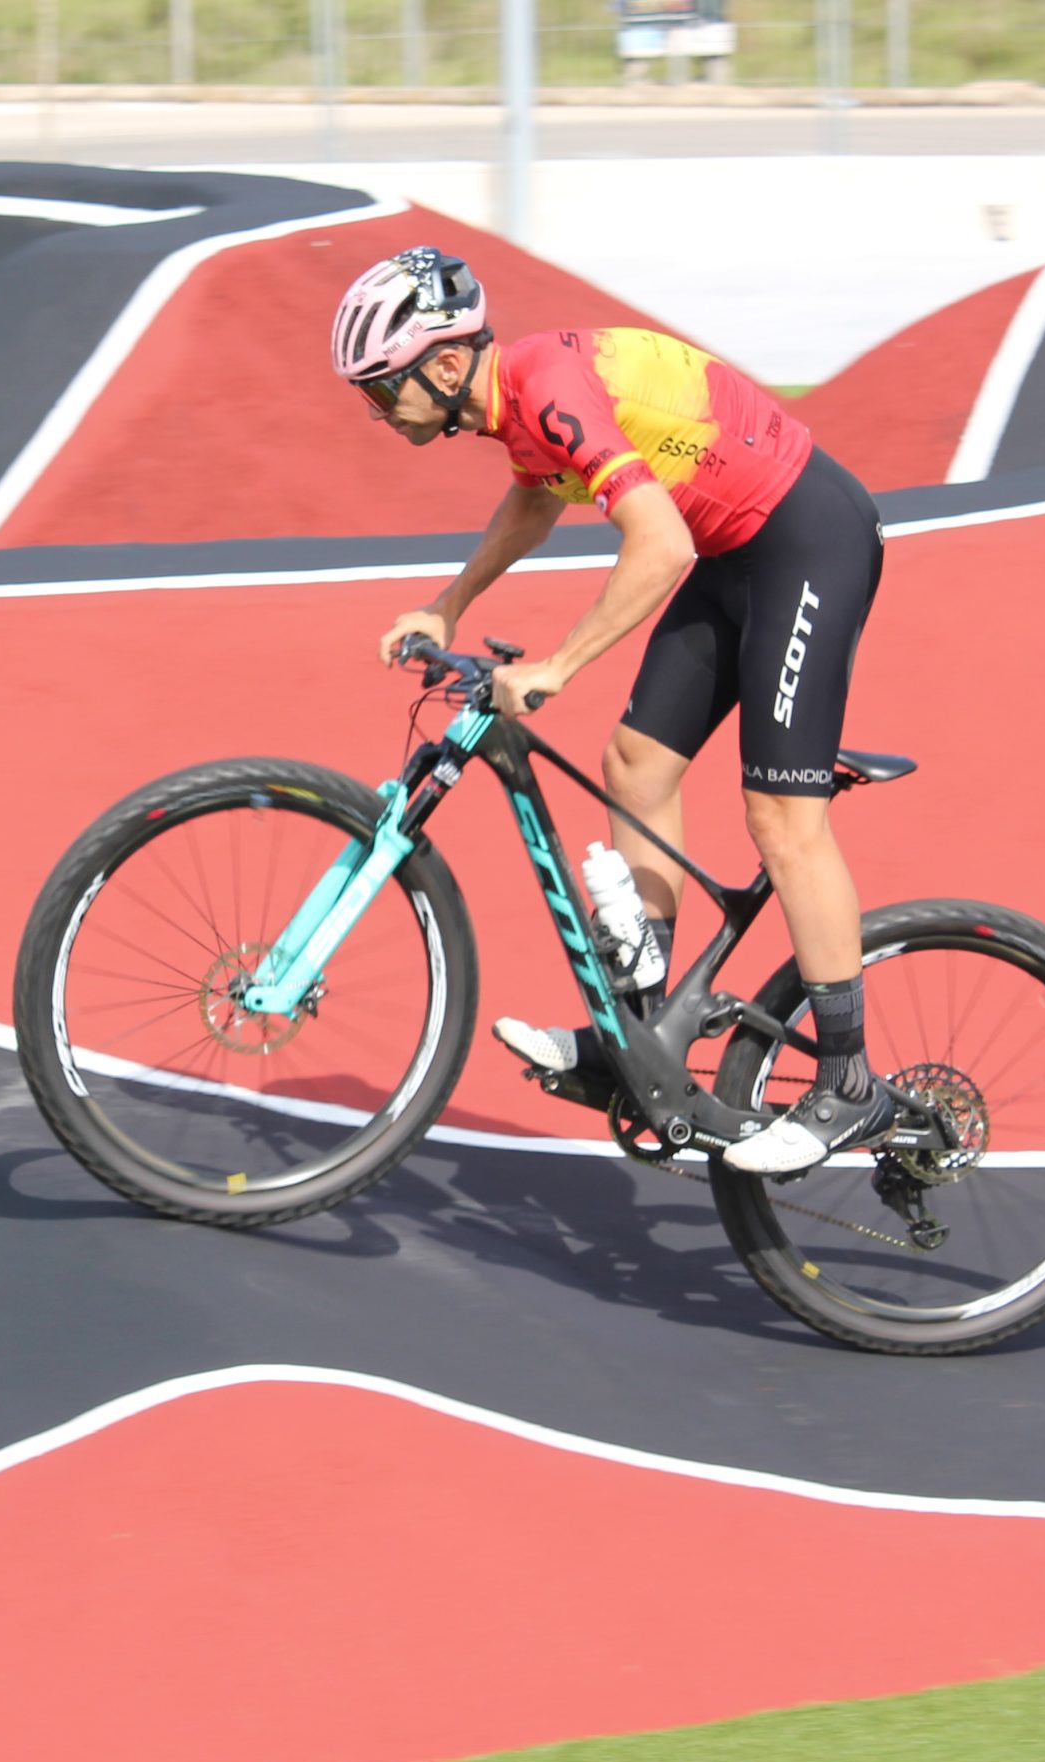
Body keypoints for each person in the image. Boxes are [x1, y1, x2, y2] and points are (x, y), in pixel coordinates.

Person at [332, 244, 890, 1174]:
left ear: (440, 365)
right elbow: (532, 504)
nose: (380, 413)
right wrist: (448, 604)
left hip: (807, 538)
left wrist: (558, 663)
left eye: (385, 391)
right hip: (736, 551)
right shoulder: (511, 403)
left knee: (783, 820)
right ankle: (649, 1036)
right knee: (636, 763)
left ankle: (851, 1087)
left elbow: (659, 545)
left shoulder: (545, 382)